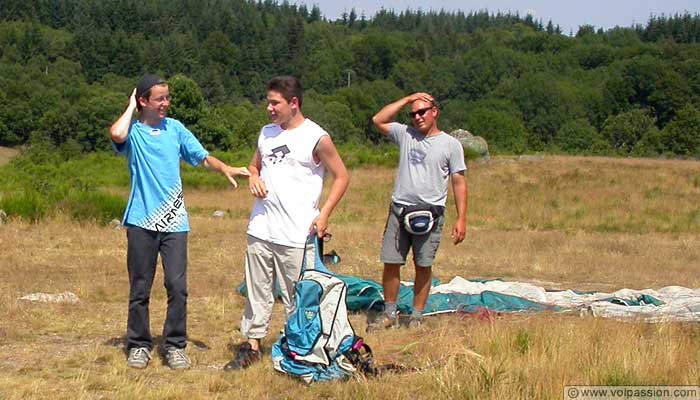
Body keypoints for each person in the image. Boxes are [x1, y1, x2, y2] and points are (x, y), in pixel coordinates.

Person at [109, 74, 250, 370]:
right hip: (140, 221)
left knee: (177, 286)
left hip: (175, 223)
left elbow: (202, 156)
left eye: (167, 98)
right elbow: (117, 134)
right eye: (159, 98)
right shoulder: (133, 132)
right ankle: (139, 344)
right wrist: (130, 107)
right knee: (140, 287)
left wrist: (225, 167)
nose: (166, 103)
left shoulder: (175, 129)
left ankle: (174, 345)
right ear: (143, 101)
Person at [224, 76, 349, 370]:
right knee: (257, 290)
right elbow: (255, 164)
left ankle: (298, 346)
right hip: (261, 228)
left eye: (274, 102)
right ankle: (252, 345)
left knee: (298, 295)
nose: (269, 108)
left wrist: (325, 214)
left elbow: (341, 176)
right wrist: (253, 177)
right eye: (268, 101)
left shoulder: (316, 137)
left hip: (297, 233)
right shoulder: (266, 134)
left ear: (294, 103)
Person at [368, 92, 467, 330]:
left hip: (431, 216)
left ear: (435, 112)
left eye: (422, 111)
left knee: (423, 265)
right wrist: (406, 99)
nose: (417, 117)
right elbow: (378, 120)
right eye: (413, 113)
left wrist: (462, 218)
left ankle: (416, 317)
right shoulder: (405, 134)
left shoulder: (451, 145)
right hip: (399, 211)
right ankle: (390, 314)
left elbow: (459, 182)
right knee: (391, 262)